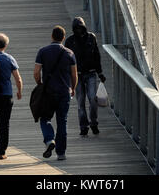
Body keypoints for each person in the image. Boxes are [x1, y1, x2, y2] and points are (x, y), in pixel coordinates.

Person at [34, 26, 78, 161]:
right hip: (64, 92)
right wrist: (73, 88)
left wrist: (40, 83)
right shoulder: (69, 53)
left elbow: (36, 72)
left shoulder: (43, 51)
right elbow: (74, 74)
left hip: (48, 92)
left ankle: (49, 140)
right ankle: (61, 153)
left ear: (52, 36)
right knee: (62, 122)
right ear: (63, 38)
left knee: (45, 118)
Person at [65, 17, 106, 137]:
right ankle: (83, 126)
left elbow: (97, 55)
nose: (78, 30)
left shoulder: (91, 37)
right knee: (80, 102)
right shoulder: (70, 41)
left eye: (80, 27)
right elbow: (67, 61)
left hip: (91, 73)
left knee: (93, 99)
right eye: (76, 28)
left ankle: (94, 123)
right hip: (76, 75)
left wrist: (100, 72)